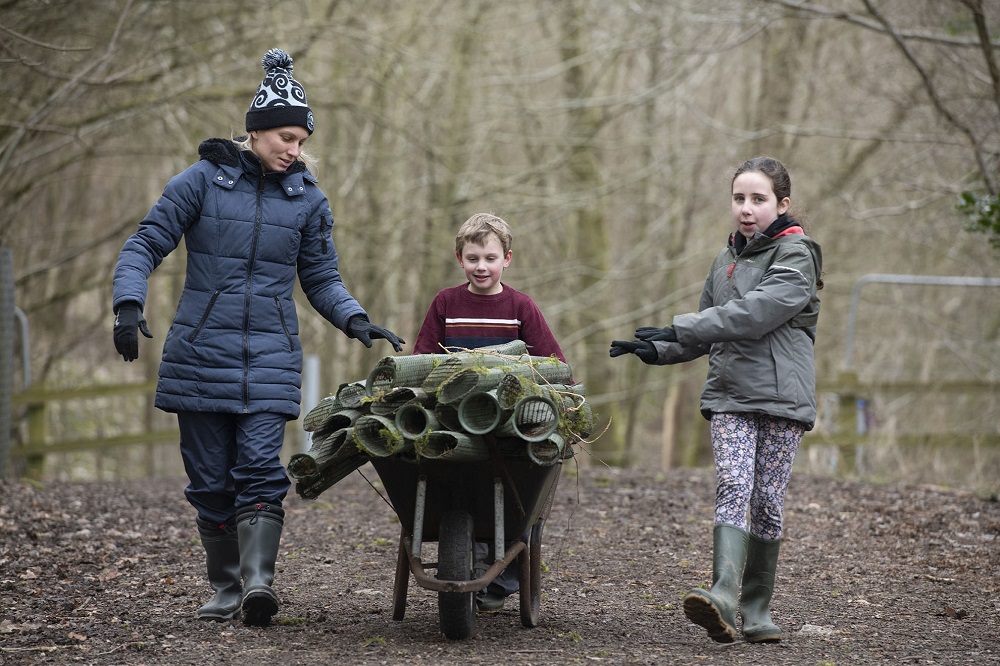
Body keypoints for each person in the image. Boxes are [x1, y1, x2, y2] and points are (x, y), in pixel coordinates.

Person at [111, 48, 405, 627]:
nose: (293, 149)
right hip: (198, 355)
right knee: (210, 479)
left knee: (260, 471)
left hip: (270, 356)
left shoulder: (309, 200)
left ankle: (259, 585)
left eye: (300, 140)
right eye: (285, 137)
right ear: (257, 131)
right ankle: (225, 586)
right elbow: (145, 242)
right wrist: (127, 303)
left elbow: (321, 277)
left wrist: (354, 318)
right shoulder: (198, 183)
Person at [609, 156, 822, 643]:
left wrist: (679, 325)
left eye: (758, 199)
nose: (746, 209)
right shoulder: (723, 260)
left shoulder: (797, 256)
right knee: (732, 484)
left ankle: (756, 609)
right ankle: (722, 594)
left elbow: (754, 313)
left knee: (767, 501)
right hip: (729, 394)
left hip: (782, 400)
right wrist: (659, 348)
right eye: (739, 199)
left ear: (782, 204)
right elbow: (710, 329)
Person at [412, 212, 566, 611]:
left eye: (491, 258)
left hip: (508, 422)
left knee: (522, 495)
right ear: (459, 258)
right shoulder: (446, 302)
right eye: (473, 258)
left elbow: (552, 361)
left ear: (507, 259)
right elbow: (423, 359)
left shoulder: (520, 306)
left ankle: (505, 576)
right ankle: (471, 555)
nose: (482, 266)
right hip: (452, 420)